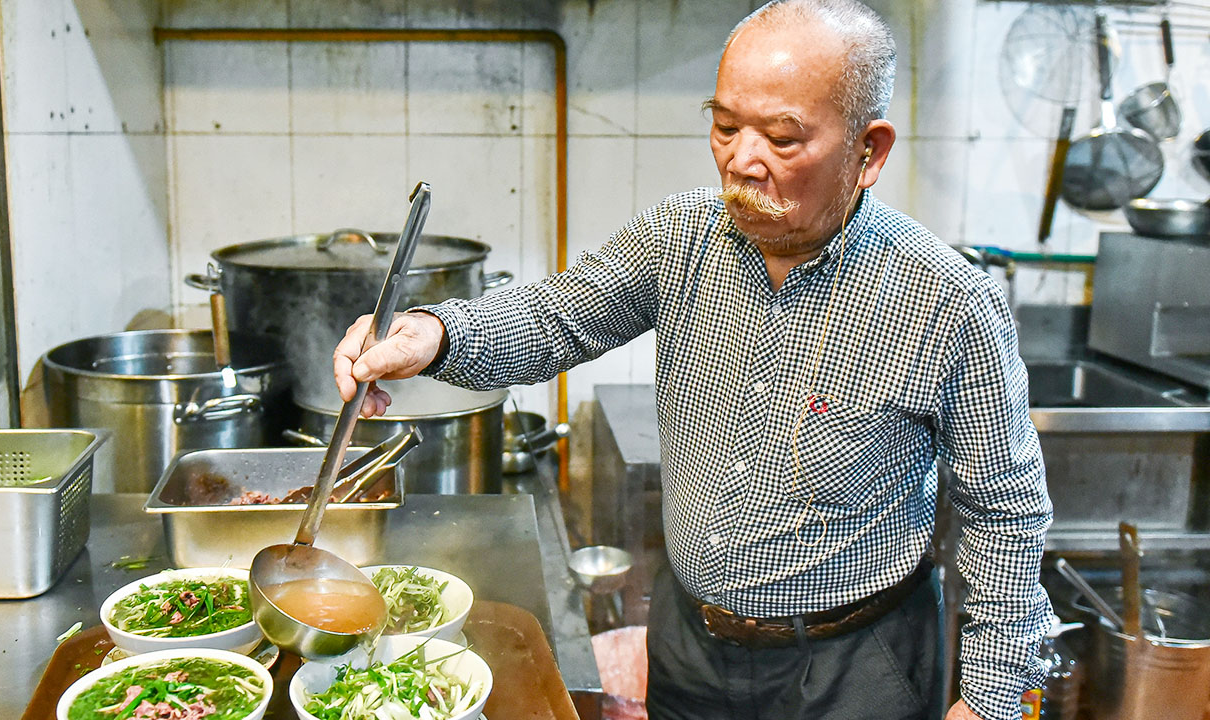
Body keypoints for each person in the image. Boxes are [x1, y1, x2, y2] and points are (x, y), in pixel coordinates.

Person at [332, 1, 1052, 719]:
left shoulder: (947, 300)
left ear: (869, 151)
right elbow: (556, 316)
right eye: (725, 126)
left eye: (781, 138)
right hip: (691, 648)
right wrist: (433, 333)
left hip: (854, 669)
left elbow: (1006, 514)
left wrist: (990, 700)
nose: (742, 161)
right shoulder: (679, 238)